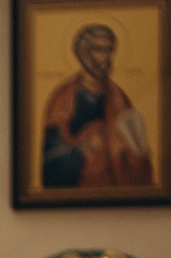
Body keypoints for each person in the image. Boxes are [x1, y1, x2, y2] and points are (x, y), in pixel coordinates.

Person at [40, 23, 154, 191]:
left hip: (114, 190)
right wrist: (84, 150)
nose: (107, 57)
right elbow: (50, 168)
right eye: (99, 50)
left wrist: (137, 155)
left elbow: (136, 154)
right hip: (78, 192)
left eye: (110, 50)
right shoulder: (62, 99)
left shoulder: (119, 97)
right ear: (83, 53)